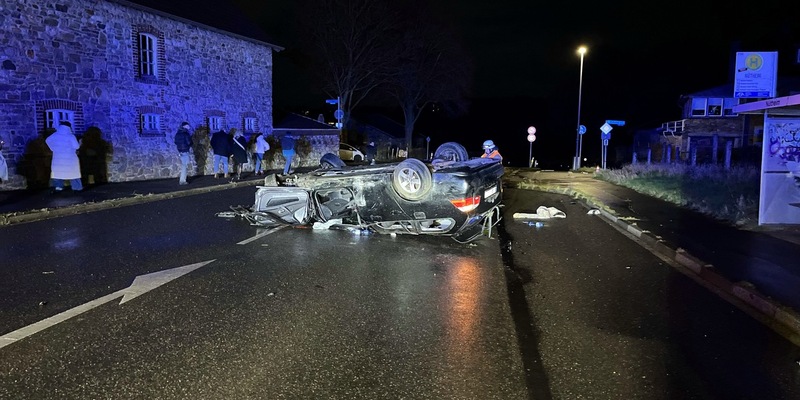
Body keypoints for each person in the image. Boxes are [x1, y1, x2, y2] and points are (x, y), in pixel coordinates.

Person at [45, 121, 83, 192]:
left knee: (58, 173)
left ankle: (58, 187)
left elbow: (47, 140)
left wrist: (53, 148)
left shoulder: (55, 135)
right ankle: (77, 188)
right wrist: (80, 143)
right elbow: (76, 146)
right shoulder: (70, 136)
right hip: (70, 157)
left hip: (58, 158)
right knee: (74, 173)